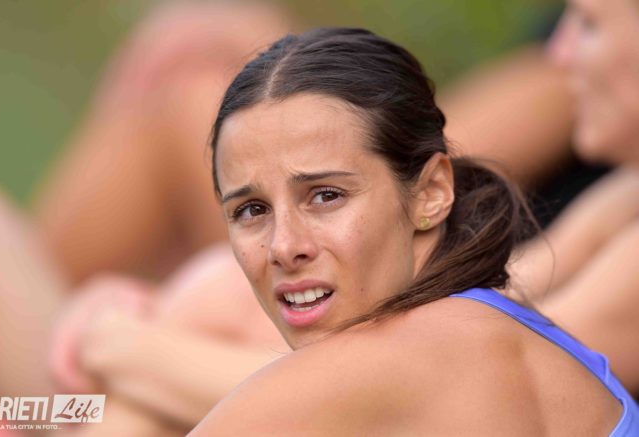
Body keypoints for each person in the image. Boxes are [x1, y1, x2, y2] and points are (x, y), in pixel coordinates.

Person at [188, 28, 639, 435]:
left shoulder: (375, 366)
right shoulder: (513, 334)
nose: (284, 246)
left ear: (431, 192)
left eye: (326, 196)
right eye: (251, 210)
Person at [508, 0, 639, 393]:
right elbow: (510, 284)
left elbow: (503, 373)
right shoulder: (625, 190)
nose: (558, 53)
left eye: (589, 23)